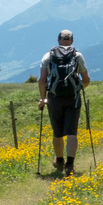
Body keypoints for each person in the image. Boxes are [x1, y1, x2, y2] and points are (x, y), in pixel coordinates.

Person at [37, 29, 90, 176]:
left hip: (54, 98)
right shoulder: (77, 56)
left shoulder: (48, 56)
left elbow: (42, 80)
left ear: (58, 40)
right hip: (73, 97)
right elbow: (86, 79)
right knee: (71, 132)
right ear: (72, 41)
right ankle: (70, 165)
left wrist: (42, 99)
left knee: (57, 132)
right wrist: (78, 89)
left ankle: (59, 160)